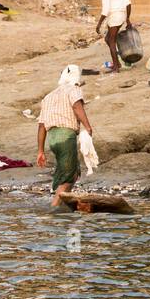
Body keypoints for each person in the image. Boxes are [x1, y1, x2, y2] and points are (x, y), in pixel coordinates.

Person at [36, 65, 94, 207]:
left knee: (74, 172)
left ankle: (64, 203)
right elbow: (76, 106)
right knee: (68, 177)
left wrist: (41, 151)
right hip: (65, 136)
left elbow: (41, 126)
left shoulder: (48, 96)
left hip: (53, 138)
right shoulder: (74, 89)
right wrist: (87, 126)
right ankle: (54, 210)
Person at [94, 0, 132, 73]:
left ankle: (116, 67)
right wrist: (127, 19)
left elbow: (106, 9)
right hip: (121, 16)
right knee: (108, 39)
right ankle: (117, 62)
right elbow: (128, 4)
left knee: (111, 41)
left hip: (114, 18)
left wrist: (99, 24)